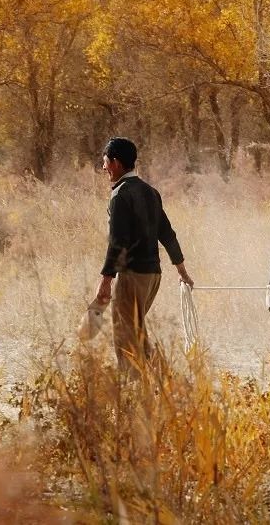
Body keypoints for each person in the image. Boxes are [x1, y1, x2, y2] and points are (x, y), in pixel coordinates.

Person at [95, 137, 194, 375]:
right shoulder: (151, 191)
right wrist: (182, 271)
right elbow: (167, 233)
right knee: (136, 333)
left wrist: (106, 281)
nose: (104, 167)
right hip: (153, 277)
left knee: (125, 338)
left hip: (133, 276)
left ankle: (137, 393)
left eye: (105, 162)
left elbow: (117, 243)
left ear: (116, 163)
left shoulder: (120, 195)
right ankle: (170, 387)